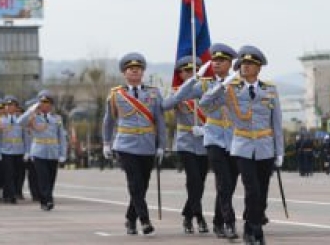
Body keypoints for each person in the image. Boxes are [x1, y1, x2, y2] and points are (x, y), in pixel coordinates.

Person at [200, 45, 284, 245]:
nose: (245, 67)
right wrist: (222, 85)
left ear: (258, 68)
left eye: (250, 64)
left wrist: (279, 151)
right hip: (242, 146)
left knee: (262, 193)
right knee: (251, 189)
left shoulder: (270, 90)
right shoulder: (231, 89)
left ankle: (250, 227)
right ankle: (255, 231)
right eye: (243, 63)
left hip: (265, 147)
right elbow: (205, 103)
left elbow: (277, 122)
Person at [167, 43, 240, 239]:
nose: (216, 63)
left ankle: (218, 221)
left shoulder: (238, 83)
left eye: (221, 60)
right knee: (223, 181)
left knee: (230, 184)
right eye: (214, 60)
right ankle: (229, 223)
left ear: (230, 63)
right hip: (213, 137)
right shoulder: (205, 84)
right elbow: (177, 98)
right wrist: (194, 78)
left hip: (235, 139)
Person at [102, 52, 167, 236]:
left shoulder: (153, 93)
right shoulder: (116, 94)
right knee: (135, 183)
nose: (135, 72)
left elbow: (160, 121)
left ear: (143, 72)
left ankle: (130, 219)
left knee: (143, 185)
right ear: (125, 73)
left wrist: (162, 145)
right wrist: (107, 143)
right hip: (125, 145)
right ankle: (144, 220)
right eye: (131, 69)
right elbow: (108, 121)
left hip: (147, 145)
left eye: (138, 69)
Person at [162, 56, 210, 235]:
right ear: (180, 73)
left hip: (205, 140)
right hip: (185, 141)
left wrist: (206, 129)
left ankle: (188, 215)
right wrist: (186, 86)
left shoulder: (208, 89)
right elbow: (165, 105)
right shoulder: (176, 91)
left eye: (194, 70)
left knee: (201, 182)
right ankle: (198, 215)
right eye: (187, 71)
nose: (190, 73)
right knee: (193, 180)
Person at [17, 90, 67, 211]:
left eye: (48, 103)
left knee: (51, 178)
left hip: (53, 152)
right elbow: (20, 122)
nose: (46, 105)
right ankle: (47, 200)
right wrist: (32, 109)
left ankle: (46, 198)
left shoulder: (57, 118)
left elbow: (61, 137)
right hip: (39, 151)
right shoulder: (33, 117)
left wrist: (62, 153)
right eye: (43, 102)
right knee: (42, 177)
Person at [0, 95, 29, 204]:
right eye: (7, 105)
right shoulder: (0, 121)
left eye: (12, 105)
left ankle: (10, 193)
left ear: (16, 107)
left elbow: (26, 137)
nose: (9, 107)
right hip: (5, 151)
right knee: (8, 174)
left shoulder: (21, 121)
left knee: (17, 174)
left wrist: (27, 151)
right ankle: (10, 195)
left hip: (19, 151)